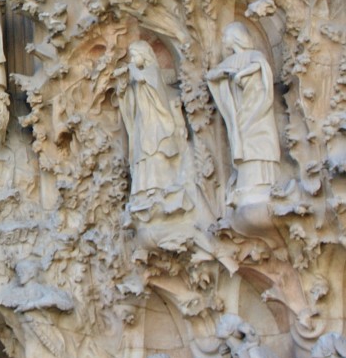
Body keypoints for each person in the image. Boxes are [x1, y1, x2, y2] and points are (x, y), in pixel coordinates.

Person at [205, 23, 280, 192]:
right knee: (244, 143)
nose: (223, 40)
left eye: (226, 36)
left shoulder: (254, 54)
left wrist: (241, 73)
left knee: (261, 141)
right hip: (240, 110)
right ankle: (248, 183)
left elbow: (260, 65)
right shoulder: (228, 62)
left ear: (236, 38)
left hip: (257, 106)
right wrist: (225, 73)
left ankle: (266, 183)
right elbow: (211, 75)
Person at [116, 41, 188, 214]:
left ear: (145, 55)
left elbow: (141, 79)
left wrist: (131, 69)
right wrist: (122, 84)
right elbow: (127, 98)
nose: (132, 60)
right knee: (143, 156)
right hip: (143, 121)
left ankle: (160, 189)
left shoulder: (152, 72)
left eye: (135, 56)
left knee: (155, 153)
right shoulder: (137, 75)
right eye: (131, 56)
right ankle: (144, 193)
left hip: (156, 122)